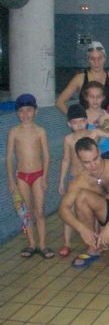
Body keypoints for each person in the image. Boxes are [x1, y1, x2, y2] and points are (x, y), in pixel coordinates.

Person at [58, 137, 109, 268]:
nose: (93, 165)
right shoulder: (82, 179)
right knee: (81, 197)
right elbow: (63, 209)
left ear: (100, 152)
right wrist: (82, 229)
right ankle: (93, 247)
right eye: (87, 162)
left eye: (95, 159)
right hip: (108, 210)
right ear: (80, 161)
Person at [58, 104, 109, 257]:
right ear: (68, 124)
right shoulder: (68, 139)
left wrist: (106, 116)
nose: (78, 125)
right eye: (74, 122)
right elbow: (65, 160)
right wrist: (61, 181)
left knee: (93, 209)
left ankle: (95, 240)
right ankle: (67, 243)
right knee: (69, 210)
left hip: (91, 179)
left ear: (87, 121)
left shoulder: (94, 133)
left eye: (81, 121)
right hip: (74, 178)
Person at [6, 94, 53, 259]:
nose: (25, 114)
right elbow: (9, 158)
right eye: (21, 111)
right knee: (27, 213)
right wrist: (11, 181)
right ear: (17, 113)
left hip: (38, 175)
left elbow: (46, 156)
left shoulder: (40, 131)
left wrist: (46, 177)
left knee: (39, 211)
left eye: (29, 110)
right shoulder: (14, 132)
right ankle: (32, 244)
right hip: (21, 177)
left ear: (36, 111)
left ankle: (42, 244)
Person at [56, 41, 109, 115]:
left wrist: (106, 124)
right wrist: (74, 118)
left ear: (105, 58)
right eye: (92, 59)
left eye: (100, 58)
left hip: (105, 123)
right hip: (84, 124)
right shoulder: (79, 79)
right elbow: (59, 102)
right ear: (88, 60)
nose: (96, 62)